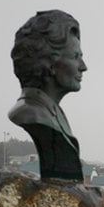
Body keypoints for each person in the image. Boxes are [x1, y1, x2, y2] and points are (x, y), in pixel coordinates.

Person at [8, 9, 87, 183]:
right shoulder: (31, 114)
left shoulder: (53, 113)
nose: (83, 66)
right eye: (75, 57)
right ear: (49, 62)